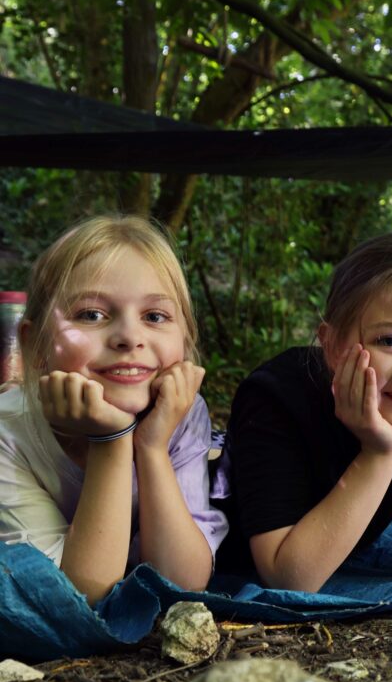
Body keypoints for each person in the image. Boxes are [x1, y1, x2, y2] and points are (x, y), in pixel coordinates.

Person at [218, 231, 392, 592]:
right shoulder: (276, 395)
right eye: (390, 341)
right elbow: (288, 577)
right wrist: (379, 453)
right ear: (333, 346)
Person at [0, 216, 228, 604]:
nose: (129, 337)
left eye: (154, 317)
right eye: (91, 314)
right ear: (34, 345)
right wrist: (111, 439)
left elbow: (183, 581)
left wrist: (153, 448)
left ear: (185, 343)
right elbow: (80, 597)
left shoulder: (179, 413)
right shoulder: (10, 431)